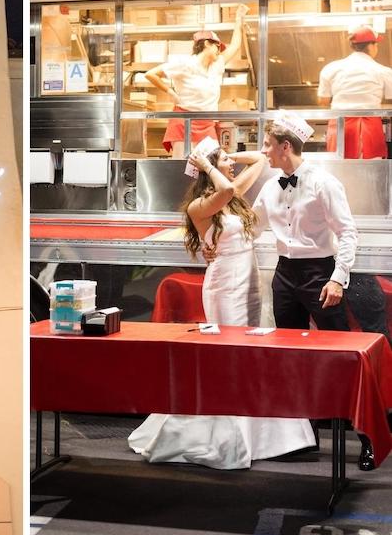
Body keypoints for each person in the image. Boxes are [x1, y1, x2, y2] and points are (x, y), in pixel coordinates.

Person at [128, 135, 316, 469]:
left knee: (254, 348)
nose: (232, 163)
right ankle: (229, 433)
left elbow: (258, 161)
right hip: (224, 287)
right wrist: (205, 164)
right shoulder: (201, 206)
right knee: (231, 352)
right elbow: (226, 190)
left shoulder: (231, 199)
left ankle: (265, 434)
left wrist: (222, 155)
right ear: (209, 170)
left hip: (249, 284)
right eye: (225, 160)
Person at [253, 112, 375, 471]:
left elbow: (348, 233)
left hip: (320, 273)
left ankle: (367, 437)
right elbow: (251, 224)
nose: (264, 151)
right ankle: (303, 436)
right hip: (285, 276)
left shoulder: (324, 182)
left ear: (284, 146)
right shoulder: (269, 185)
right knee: (291, 357)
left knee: (344, 357)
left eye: (267, 145)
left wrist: (338, 278)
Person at [145, 5, 249, 159]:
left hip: (207, 124)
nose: (219, 51)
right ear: (207, 44)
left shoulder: (217, 65)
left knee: (210, 166)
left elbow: (235, 46)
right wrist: (170, 91)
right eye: (217, 46)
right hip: (184, 123)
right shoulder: (185, 63)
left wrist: (239, 19)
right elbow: (151, 74)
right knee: (183, 169)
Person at [319, 27, 392, 160]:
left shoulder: (331, 68)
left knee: (339, 170)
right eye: (376, 44)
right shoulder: (383, 71)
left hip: (340, 127)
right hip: (369, 128)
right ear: (371, 46)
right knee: (370, 173)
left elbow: (323, 101)